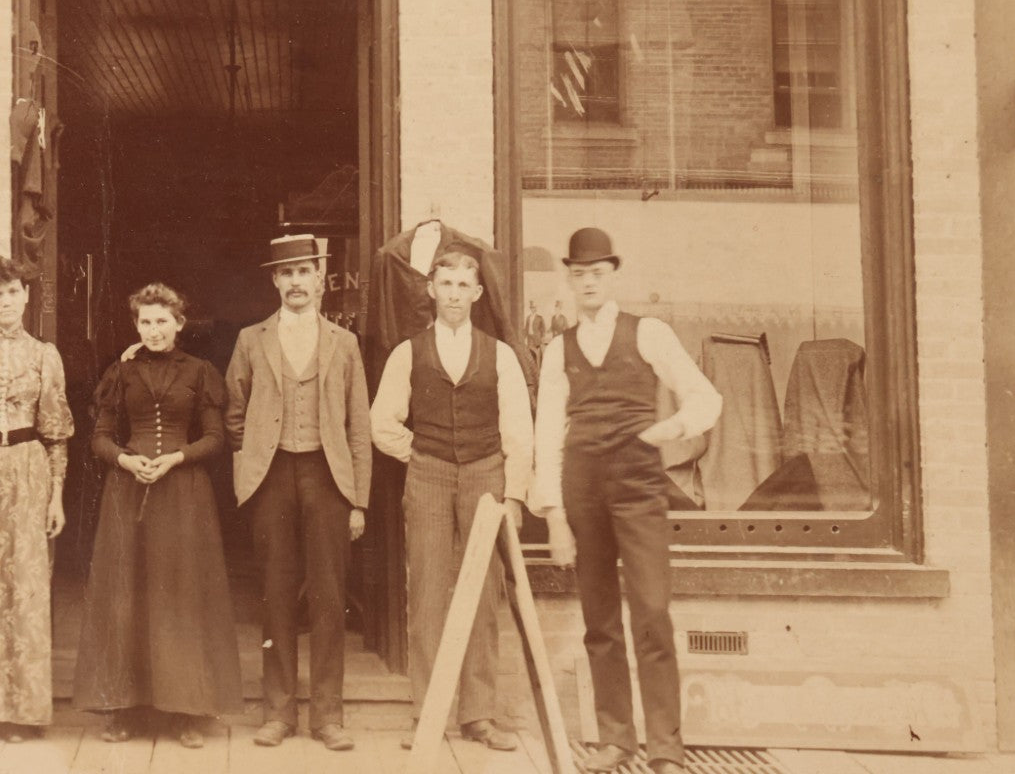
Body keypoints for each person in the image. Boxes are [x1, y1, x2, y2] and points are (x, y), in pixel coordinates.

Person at [532, 229, 721, 774]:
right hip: (583, 489)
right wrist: (555, 517)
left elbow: (706, 397)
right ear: (569, 280)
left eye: (597, 273)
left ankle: (665, 747)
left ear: (613, 274)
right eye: (579, 274)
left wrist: (671, 429)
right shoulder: (558, 348)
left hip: (639, 488)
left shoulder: (649, 332)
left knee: (653, 612)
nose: (588, 283)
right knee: (599, 619)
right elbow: (548, 435)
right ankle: (615, 739)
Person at [370, 251, 532, 752]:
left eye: (464, 286)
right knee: (427, 593)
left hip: (486, 474)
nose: (455, 295)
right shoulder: (408, 353)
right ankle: (428, 713)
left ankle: (478, 715)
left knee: (483, 594)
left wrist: (513, 494)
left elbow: (519, 432)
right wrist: (419, 454)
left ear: (478, 293)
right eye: (446, 284)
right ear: (431, 290)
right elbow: (381, 424)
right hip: (429, 477)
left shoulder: (500, 355)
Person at [73, 282, 241, 747]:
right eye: (145, 322)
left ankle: (186, 712)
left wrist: (176, 458)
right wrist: (126, 460)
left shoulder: (200, 371)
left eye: (161, 321)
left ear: (179, 323)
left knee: (181, 597)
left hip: (184, 494)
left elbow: (215, 438)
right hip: (128, 492)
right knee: (127, 594)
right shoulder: (121, 372)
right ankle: (125, 710)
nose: (153, 330)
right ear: (136, 325)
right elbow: (99, 437)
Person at [224, 234, 372, 751]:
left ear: (320, 277)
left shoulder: (344, 343)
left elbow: (359, 427)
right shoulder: (251, 339)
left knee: (329, 597)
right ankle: (278, 712)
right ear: (274, 280)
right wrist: (253, 465)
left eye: (304, 272)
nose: (295, 282)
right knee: (276, 593)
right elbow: (234, 413)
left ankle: (327, 716)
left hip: (328, 477)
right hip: (271, 477)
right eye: (286, 273)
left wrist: (358, 500)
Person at [0, 257, 73, 743]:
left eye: (12, 292)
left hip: (27, 471)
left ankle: (22, 712)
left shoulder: (45, 355)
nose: (5, 302)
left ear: (26, 296)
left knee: (25, 587)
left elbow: (56, 434)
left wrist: (56, 498)